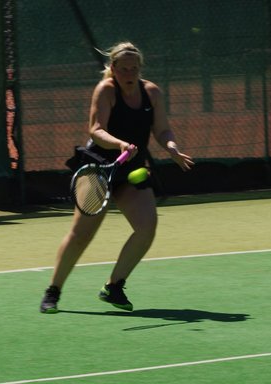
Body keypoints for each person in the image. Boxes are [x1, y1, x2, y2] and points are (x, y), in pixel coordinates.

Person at [40, 42, 194, 314]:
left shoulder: (152, 92)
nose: (129, 73)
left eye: (134, 68)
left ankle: (114, 286)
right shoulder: (106, 90)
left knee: (147, 227)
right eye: (124, 69)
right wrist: (119, 144)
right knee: (81, 235)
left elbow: (162, 130)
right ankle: (53, 291)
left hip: (131, 169)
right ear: (113, 69)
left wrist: (171, 147)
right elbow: (96, 129)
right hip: (98, 167)